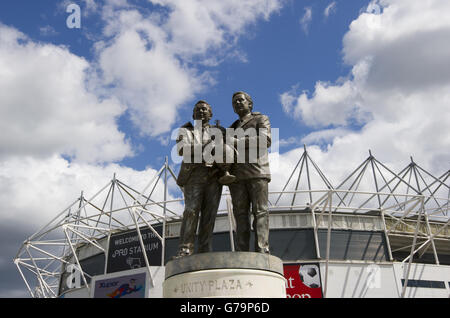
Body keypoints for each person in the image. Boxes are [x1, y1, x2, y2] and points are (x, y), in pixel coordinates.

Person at [174, 100, 228, 258]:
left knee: (209, 214)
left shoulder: (220, 130)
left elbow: (227, 151)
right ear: (193, 114)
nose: (202, 112)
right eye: (198, 110)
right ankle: (185, 248)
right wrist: (209, 146)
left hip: (213, 176)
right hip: (194, 175)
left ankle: (205, 249)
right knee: (191, 211)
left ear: (210, 114)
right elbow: (183, 149)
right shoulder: (186, 130)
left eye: (205, 110)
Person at [228, 91, 271, 254]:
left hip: (257, 171)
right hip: (237, 176)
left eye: (241, 100)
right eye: (234, 102)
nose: (238, 103)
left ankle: (262, 248)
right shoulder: (231, 128)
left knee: (260, 211)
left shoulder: (261, 119)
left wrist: (237, 141)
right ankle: (242, 252)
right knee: (240, 215)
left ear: (250, 104)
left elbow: (264, 140)